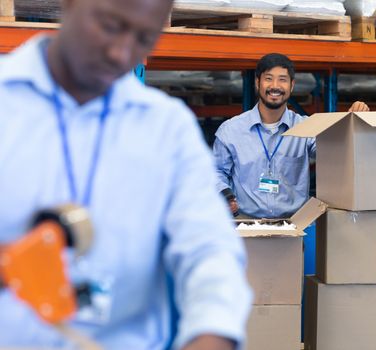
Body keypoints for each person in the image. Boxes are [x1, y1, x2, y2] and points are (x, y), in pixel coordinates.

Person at [0, 0, 251, 349]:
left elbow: (208, 250)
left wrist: (213, 331)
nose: (121, 53)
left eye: (145, 38)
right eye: (110, 25)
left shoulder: (166, 129)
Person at [213, 53, 369, 218]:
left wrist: (353, 123)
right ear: (257, 83)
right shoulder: (231, 130)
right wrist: (225, 195)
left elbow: (334, 152)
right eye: (268, 79)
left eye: (282, 79)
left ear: (292, 85)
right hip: (246, 223)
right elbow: (215, 171)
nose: (275, 86)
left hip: (294, 225)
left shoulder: (307, 128)